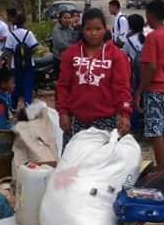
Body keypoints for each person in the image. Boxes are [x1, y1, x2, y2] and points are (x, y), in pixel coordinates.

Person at [56, 8, 132, 137]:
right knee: (74, 157)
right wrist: (63, 113)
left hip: (106, 121)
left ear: (105, 29)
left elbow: (122, 87)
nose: (93, 33)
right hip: (75, 121)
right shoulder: (70, 54)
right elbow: (63, 86)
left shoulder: (116, 56)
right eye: (88, 29)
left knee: (102, 157)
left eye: (98, 29)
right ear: (82, 29)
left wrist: (125, 114)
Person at [134, 0, 164, 169]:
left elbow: (151, 66)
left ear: (150, 15)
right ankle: (163, 168)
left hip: (154, 88)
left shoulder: (153, 37)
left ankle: (161, 169)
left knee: (155, 132)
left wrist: (139, 90)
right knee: (163, 130)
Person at [3, 13, 39, 110]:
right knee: (28, 86)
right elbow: (35, 47)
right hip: (28, 65)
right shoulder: (29, 33)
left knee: (14, 87)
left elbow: (8, 52)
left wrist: (9, 66)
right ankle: (28, 107)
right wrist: (28, 54)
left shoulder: (11, 35)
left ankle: (13, 107)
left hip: (15, 66)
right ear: (24, 22)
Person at [51, 9, 79, 81]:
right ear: (60, 19)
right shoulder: (56, 30)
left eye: (69, 18)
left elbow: (75, 40)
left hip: (70, 59)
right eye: (65, 18)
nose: (67, 20)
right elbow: (59, 44)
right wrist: (73, 47)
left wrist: (75, 29)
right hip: (59, 59)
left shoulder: (70, 29)